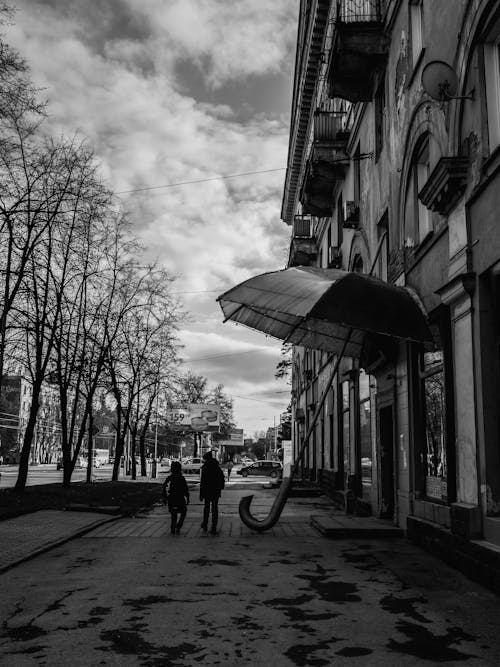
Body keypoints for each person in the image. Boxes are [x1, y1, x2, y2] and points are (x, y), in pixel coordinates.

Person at [199, 451, 225, 535]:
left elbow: (203, 482)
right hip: (215, 491)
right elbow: (222, 478)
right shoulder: (217, 467)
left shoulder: (205, 468)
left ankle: (205, 524)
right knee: (214, 509)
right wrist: (220, 487)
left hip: (207, 491)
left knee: (206, 508)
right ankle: (213, 527)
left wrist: (201, 494)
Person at [162, 461, 190, 534]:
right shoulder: (181, 478)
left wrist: (165, 497)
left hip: (172, 497)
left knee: (173, 514)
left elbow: (164, 487)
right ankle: (179, 525)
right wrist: (187, 497)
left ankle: (173, 527)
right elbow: (185, 488)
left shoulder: (169, 478)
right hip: (180, 497)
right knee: (183, 511)